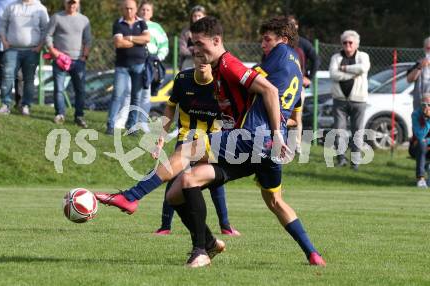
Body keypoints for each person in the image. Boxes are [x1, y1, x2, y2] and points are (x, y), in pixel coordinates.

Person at [95, 16, 325, 268]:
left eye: (267, 39)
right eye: (193, 44)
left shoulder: (254, 58)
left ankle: (133, 196)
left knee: (188, 149)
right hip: (266, 150)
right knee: (180, 189)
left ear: (282, 39)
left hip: (251, 138)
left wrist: (276, 131)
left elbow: (268, 90)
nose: (263, 44)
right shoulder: (292, 67)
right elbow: (286, 102)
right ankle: (312, 254)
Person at [152, 56, 239, 236]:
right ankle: (165, 226)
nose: (202, 60)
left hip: (213, 138)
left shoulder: (222, 83)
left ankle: (225, 225)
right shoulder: (183, 79)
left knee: (214, 181)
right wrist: (161, 137)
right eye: (198, 55)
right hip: (187, 137)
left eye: (206, 57)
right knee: (174, 176)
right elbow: (170, 107)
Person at [0, 0, 48, 116]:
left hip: (32, 50)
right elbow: (3, 25)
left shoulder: (40, 8)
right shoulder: (12, 6)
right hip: (12, 49)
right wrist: (4, 41)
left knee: (28, 79)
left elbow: (45, 30)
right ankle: (5, 105)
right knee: (7, 76)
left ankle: (25, 106)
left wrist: (39, 47)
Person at [105, 0, 150, 135]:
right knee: (117, 95)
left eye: (131, 8)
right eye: (126, 8)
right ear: (122, 9)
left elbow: (147, 38)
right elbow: (118, 43)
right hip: (121, 66)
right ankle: (110, 125)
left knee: (136, 97)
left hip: (139, 65)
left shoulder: (142, 22)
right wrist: (137, 41)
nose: (129, 11)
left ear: (136, 9)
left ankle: (132, 127)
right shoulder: (117, 23)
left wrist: (129, 38)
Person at [329, 30, 370, 171]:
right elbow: (333, 74)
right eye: (345, 42)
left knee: (357, 131)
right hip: (339, 100)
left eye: (350, 42)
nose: (347, 45)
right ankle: (341, 159)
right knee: (339, 130)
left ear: (356, 44)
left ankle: (355, 162)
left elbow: (363, 68)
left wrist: (345, 68)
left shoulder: (363, 56)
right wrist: (352, 75)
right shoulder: (336, 57)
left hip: (359, 100)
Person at [46, 0, 91, 127]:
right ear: (64, 3)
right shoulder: (56, 17)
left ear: (78, 3)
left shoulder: (84, 20)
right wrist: (53, 51)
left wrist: (85, 56)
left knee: (80, 90)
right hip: (60, 59)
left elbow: (88, 40)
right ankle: (60, 114)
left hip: (78, 61)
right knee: (59, 89)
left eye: (74, 3)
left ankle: (79, 116)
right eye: (69, 2)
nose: (71, 5)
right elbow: (48, 35)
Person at [287, 15, 320, 154]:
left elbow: (316, 59)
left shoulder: (303, 43)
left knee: (297, 116)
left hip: (298, 86)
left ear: (297, 26)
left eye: (293, 24)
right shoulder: (280, 42)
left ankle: (297, 145)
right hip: (281, 85)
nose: (291, 27)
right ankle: (281, 144)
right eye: (288, 24)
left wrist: (309, 77)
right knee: (281, 115)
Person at [0, 0, 26, 113]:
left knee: (19, 75)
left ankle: (20, 103)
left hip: (16, 41)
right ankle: (5, 104)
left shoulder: (20, 2)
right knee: (4, 73)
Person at [179, 5, 206, 71]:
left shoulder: (208, 31)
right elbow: (182, 50)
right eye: (195, 16)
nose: (197, 18)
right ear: (192, 17)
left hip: (205, 61)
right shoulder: (186, 32)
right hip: (189, 61)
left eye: (199, 16)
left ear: (204, 16)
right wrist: (194, 51)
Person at [411, 93, 430, 188]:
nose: (426, 107)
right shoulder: (415, 114)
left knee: (424, 142)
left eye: (429, 105)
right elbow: (419, 135)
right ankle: (420, 179)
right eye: (424, 104)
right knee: (422, 143)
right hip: (417, 147)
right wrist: (428, 120)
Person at [407, 36, 430, 111]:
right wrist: (420, 67)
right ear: (424, 49)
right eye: (428, 48)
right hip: (419, 107)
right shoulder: (419, 63)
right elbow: (409, 79)